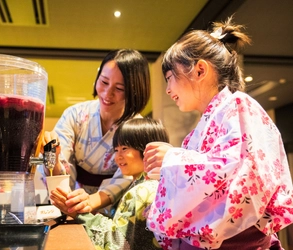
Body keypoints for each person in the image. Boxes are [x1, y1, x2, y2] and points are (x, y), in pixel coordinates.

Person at [143, 16, 293, 249]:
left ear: (200, 70)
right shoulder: (203, 127)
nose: (167, 89)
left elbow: (237, 170)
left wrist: (173, 159)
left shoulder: (239, 105)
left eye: (170, 78)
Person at [42, 49, 151, 215]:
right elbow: (61, 161)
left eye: (119, 88)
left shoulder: (138, 128)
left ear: (135, 90)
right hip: (73, 199)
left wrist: (91, 202)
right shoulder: (75, 115)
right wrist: (54, 159)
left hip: (115, 207)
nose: (108, 94)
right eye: (104, 82)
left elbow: (130, 175)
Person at [50, 118, 169, 249]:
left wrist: (78, 214)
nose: (118, 157)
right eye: (116, 150)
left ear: (148, 149)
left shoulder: (141, 191)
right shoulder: (159, 184)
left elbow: (117, 243)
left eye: (124, 148)